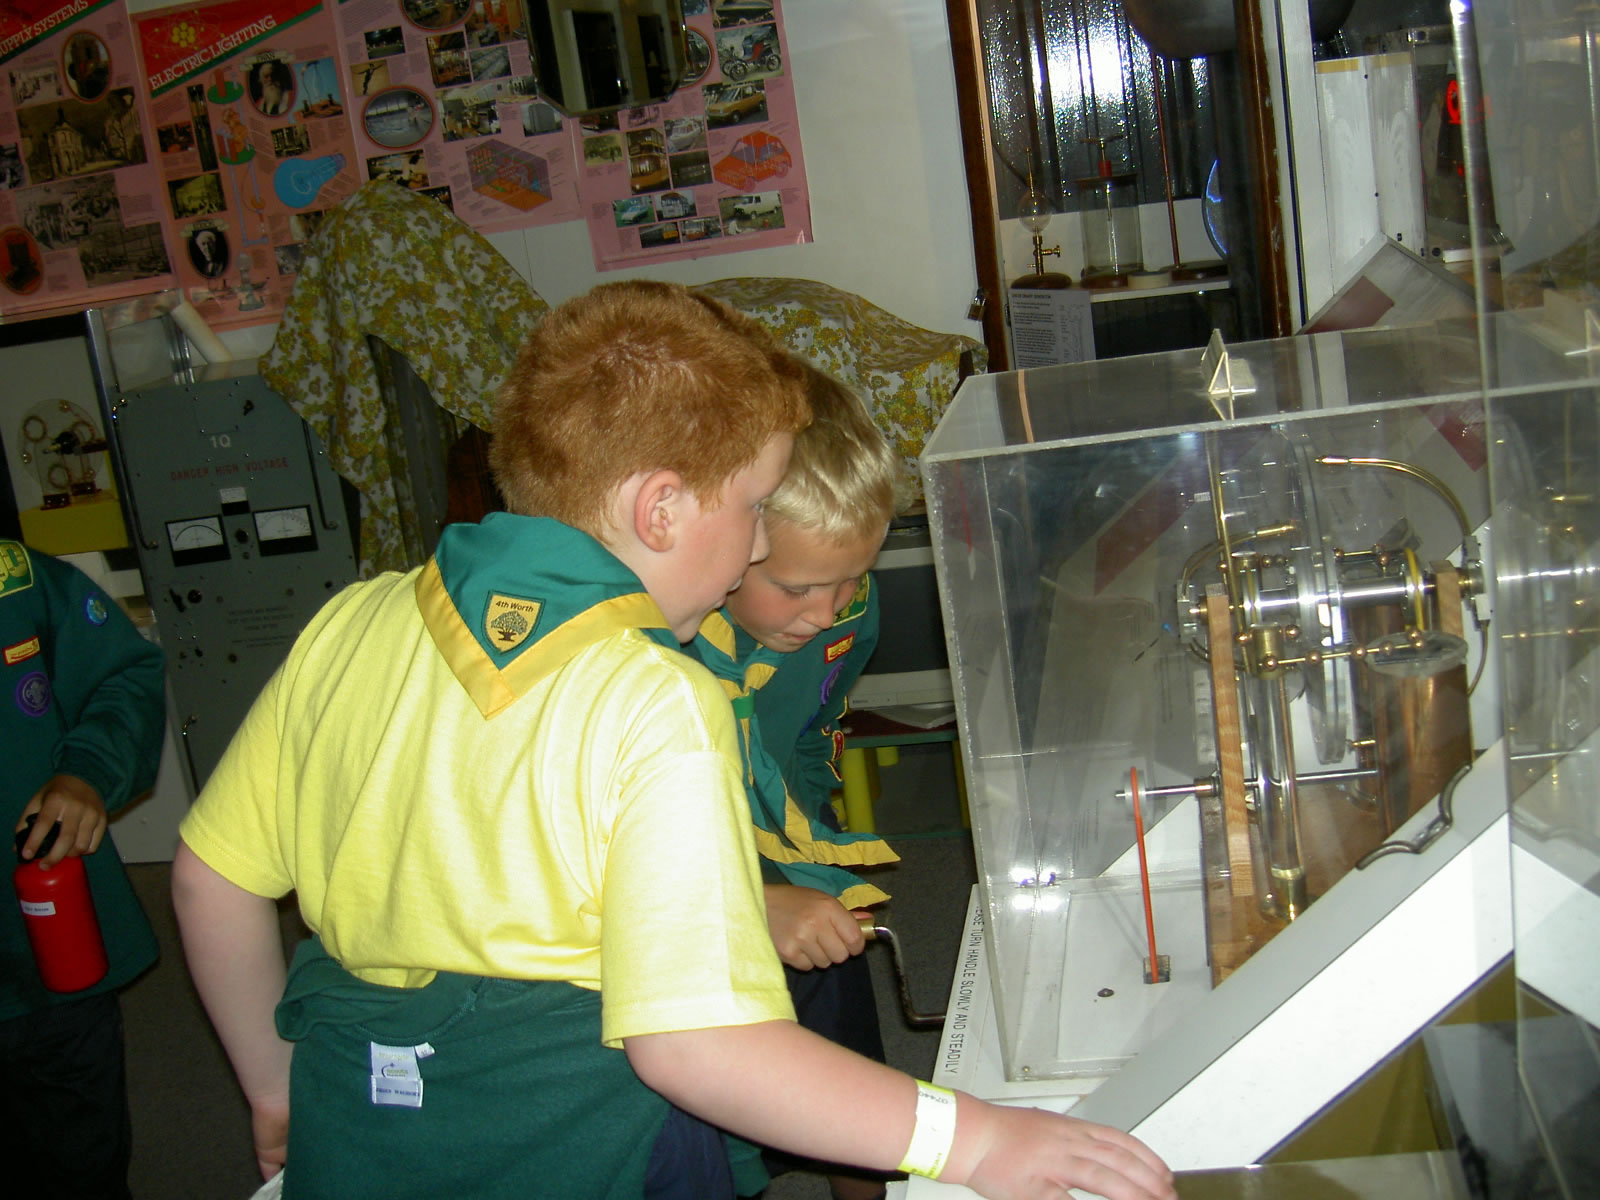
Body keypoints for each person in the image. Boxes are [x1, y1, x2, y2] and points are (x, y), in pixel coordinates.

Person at [170, 280, 1176, 1200]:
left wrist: (273, 1088)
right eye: (752, 507)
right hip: (585, 1138)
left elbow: (210, 879)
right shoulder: (657, 699)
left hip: (356, 1124)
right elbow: (696, 1047)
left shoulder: (354, 618)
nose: (755, 544)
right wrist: (979, 1141)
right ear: (660, 509)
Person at [691, 363, 903, 1200]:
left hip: (794, 867)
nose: (828, 610)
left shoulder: (850, 611)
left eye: (852, 577)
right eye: (797, 587)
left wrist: (814, 843)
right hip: (691, 887)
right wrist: (752, 896)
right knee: (714, 1108)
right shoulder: (665, 645)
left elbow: (816, 729)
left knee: (849, 1078)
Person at [1, 542, 166, 1200]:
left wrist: (88, 770)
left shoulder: (17, 582)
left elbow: (122, 674)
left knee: (80, 1155)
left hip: (45, 948)